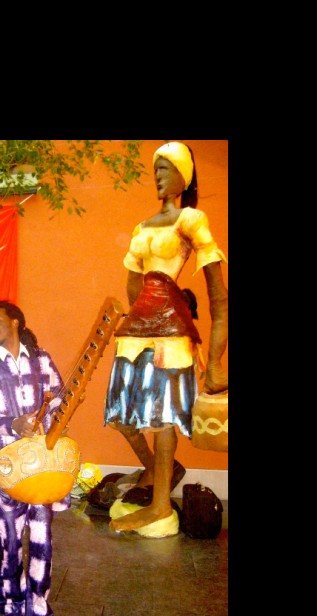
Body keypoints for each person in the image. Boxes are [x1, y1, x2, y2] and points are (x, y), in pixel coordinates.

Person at [105, 141, 228, 535]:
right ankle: (155, 494)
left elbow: (218, 298)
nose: (157, 175)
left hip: (172, 334)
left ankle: (160, 507)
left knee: (164, 418)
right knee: (129, 413)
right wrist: (137, 318)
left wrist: (216, 360)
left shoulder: (191, 219)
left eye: (165, 168)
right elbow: (131, 286)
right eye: (155, 168)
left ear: (183, 175)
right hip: (138, 331)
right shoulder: (141, 227)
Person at [0, 300, 70, 616]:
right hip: (6, 469)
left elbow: (59, 398)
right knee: (10, 544)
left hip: (41, 469)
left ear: (15, 322)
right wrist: (14, 424)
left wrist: (63, 405)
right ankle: (12, 608)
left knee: (42, 544)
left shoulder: (40, 359)